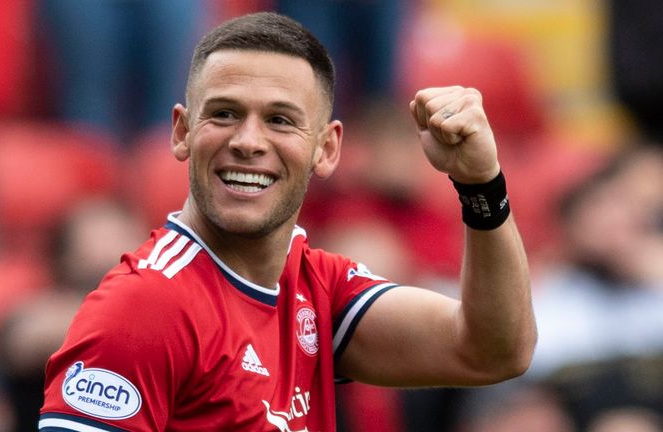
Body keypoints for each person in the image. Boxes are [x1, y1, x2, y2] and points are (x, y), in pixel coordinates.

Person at [39, 12, 536, 431]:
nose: (249, 141)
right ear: (182, 132)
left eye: (280, 119)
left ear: (328, 148)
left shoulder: (316, 288)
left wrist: (481, 186)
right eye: (225, 113)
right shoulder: (145, 308)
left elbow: (493, 350)